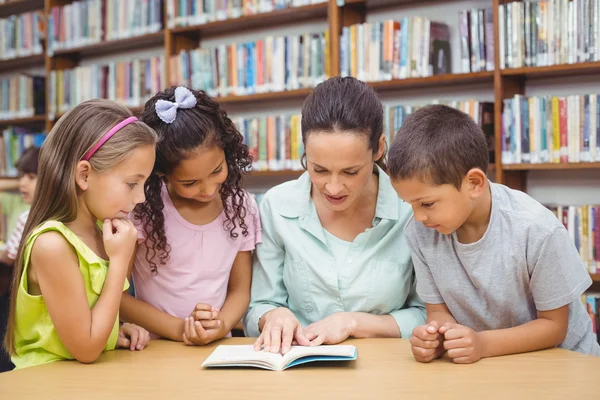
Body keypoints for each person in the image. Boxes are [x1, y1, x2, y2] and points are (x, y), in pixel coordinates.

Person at [388, 104, 600, 364]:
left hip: (564, 362)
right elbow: (437, 311)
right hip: (490, 364)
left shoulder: (536, 229)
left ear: (474, 183)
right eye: (409, 204)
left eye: (427, 204)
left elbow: (554, 326)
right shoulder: (421, 231)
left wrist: (482, 343)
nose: (418, 217)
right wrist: (436, 335)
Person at [244, 76, 425, 354]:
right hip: (298, 369)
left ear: (379, 148)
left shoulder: (411, 209)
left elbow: (427, 315)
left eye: (351, 172)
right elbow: (260, 307)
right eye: (319, 169)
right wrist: (273, 317)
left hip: (388, 372)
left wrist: (353, 323)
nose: (333, 187)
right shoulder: (277, 206)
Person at [4, 99, 156, 369]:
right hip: (44, 385)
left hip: (83, 380)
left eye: (144, 183)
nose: (141, 197)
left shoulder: (103, 233)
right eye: (132, 183)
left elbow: (84, 327)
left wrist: (113, 332)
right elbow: (86, 348)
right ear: (84, 175)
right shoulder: (52, 245)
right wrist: (120, 262)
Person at [119, 86, 260, 345]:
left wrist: (221, 325)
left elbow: (240, 290)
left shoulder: (241, 207)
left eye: (217, 170)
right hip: (151, 350)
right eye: (190, 182)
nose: (207, 189)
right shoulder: (144, 210)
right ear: (161, 173)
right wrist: (180, 329)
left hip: (216, 349)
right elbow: (117, 295)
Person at [0, 146, 40, 265]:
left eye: (31, 177)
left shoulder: (27, 218)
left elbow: (10, 257)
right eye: (21, 176)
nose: (22, 183)